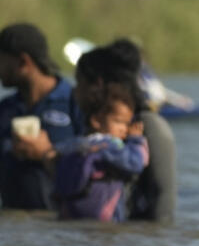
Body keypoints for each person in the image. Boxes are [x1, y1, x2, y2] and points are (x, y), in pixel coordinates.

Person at [0, 23, 84, 210]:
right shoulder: (6, 108)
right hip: (12, 229)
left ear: (23, 62)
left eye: (0, 58)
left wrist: (46, 154)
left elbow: (89, 177)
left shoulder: (75, 103)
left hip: (58, 231)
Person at [74, 39, 178, 223]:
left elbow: (164, 202)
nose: (75, 91)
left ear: (96, 84)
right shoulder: (94, 126)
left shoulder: (150, 127)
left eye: (80, 83)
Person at [54, 82, 150, 222]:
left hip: (70, 212)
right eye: (119, 122)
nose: (125, 129)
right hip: (105, 216)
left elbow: (55, 151)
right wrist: (135, 140)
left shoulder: (79, 143)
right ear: (96, 120)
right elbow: (136, 162)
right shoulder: (109, 146)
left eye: (127, 123)